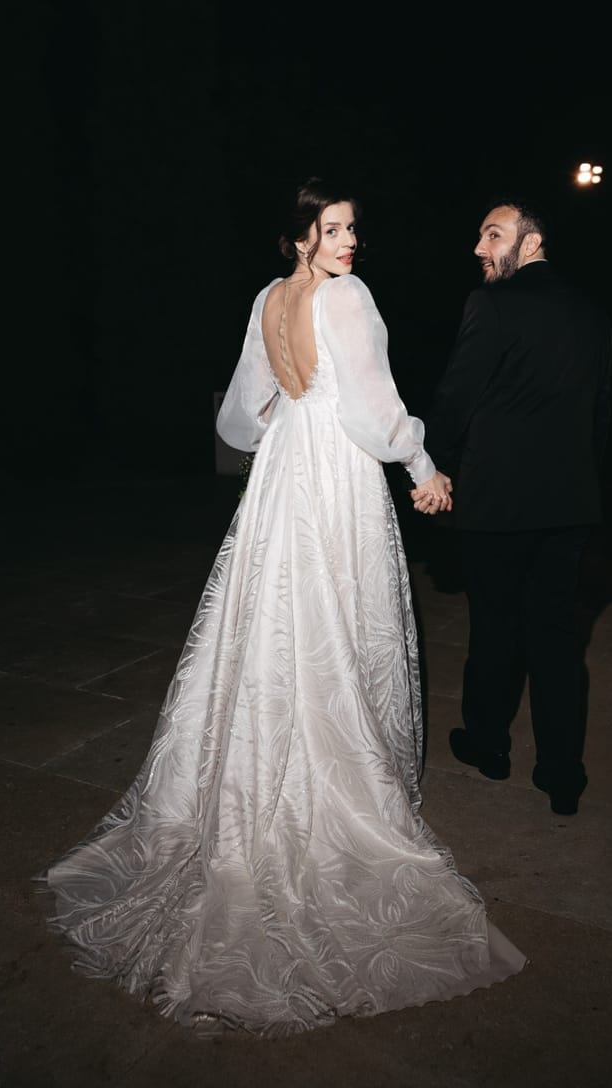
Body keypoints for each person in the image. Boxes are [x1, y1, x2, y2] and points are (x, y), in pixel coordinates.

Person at [36, 177, 526, 1037]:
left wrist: (285, 425)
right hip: (337, 477)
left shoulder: (267, 300)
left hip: (281, 474)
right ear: (302, 236)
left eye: (351, 229)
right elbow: (375, 411)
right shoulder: (348, 298)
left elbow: (239, 417)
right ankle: (334, 786)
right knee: (337, 619)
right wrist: (423, 467)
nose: (348, 242)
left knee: (273, 622)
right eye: (332, 230)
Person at [414, 194, 612, 815]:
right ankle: (561, 774)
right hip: (570, 504)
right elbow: (600, 417)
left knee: (495, 627)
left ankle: (488, 746)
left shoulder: (491, 303)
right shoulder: (592, 313)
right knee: (557, 638)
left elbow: (457, 396)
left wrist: (430, 463)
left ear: (531, 242)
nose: (479, 247)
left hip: (498, 503)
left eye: (493, 235)